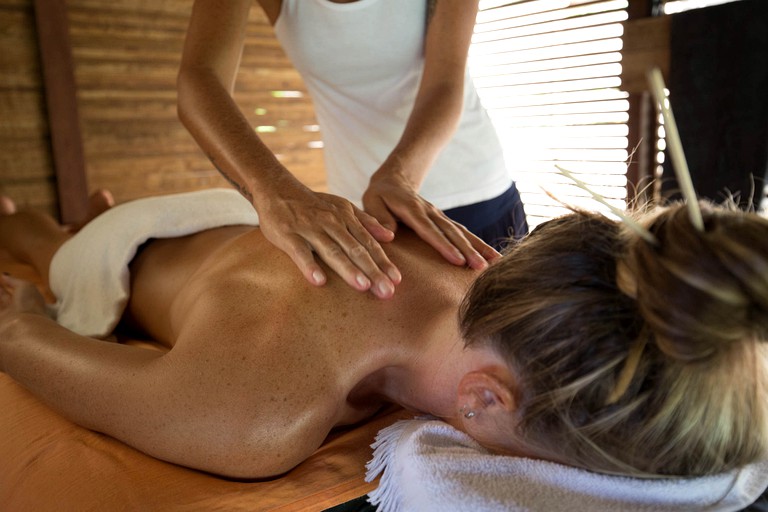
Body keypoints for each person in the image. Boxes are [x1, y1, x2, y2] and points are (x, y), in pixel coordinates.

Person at [0, 189, 766, 481]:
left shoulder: (485, 268)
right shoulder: (258, 415)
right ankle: (39, 220)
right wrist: (30, 315)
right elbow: (16, 333)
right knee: (54, 248)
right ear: (482, 402)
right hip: (143, 246)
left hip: (243, 212)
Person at [177, 0, 528, 300]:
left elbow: (444, 82)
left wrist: (401, 177)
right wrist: (272, 191)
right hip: (365, 220)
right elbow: (200, 77)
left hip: (477, 194)